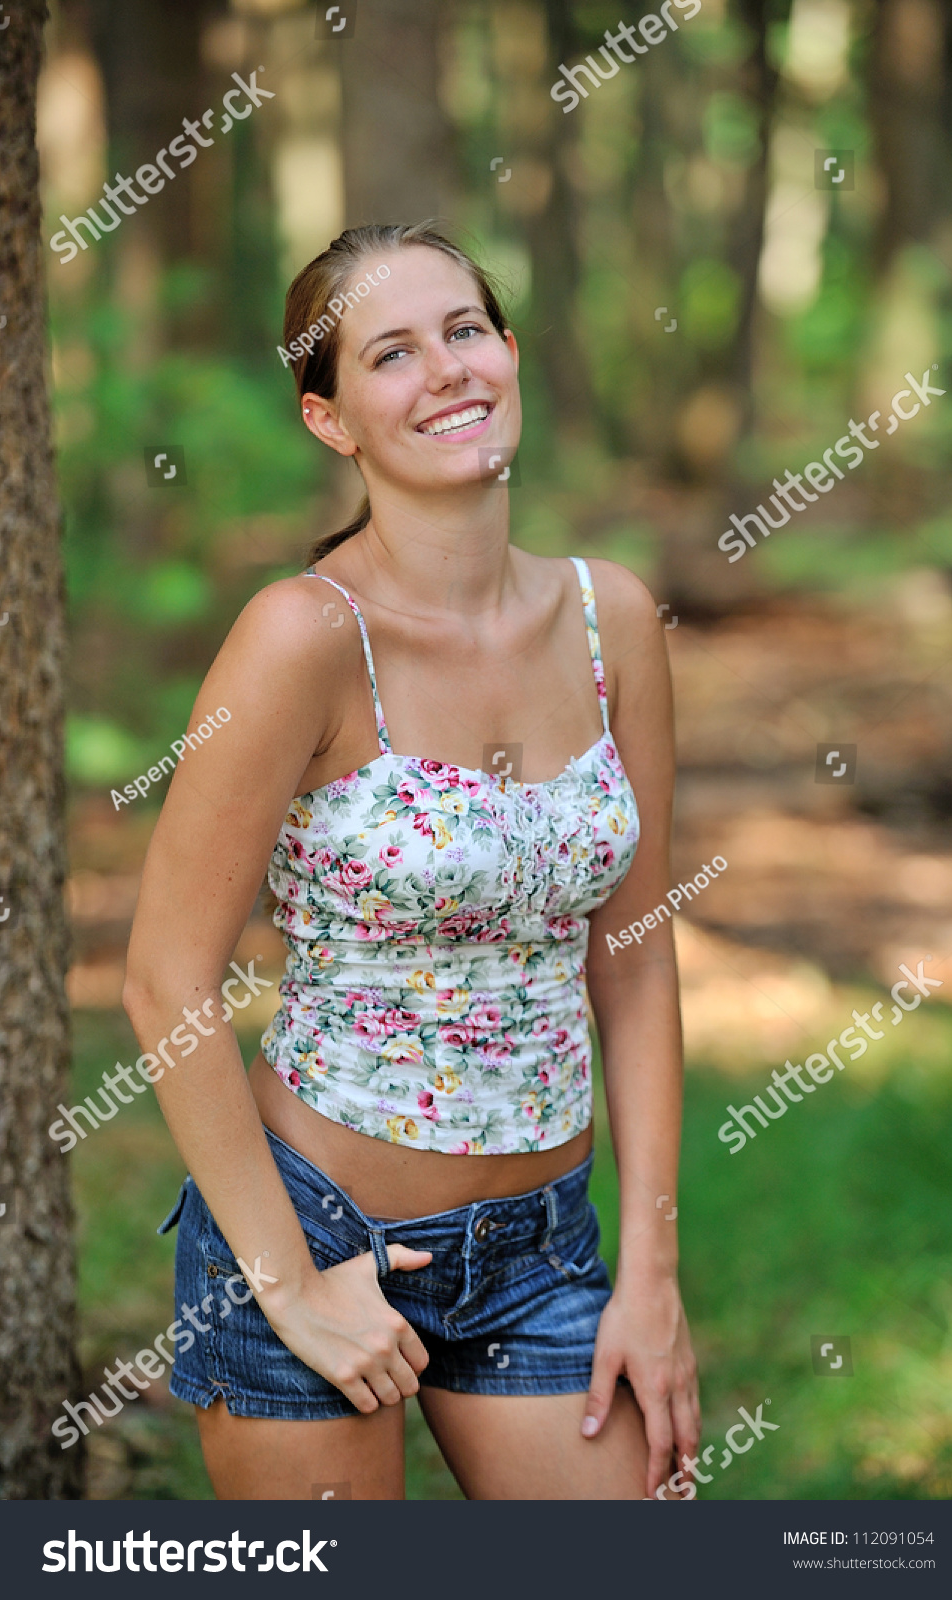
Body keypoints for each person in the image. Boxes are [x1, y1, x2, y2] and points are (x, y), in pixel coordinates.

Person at [125, 222, 699, 1501]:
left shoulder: (612, 618)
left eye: (463, 330)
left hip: (544, 1251)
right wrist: (286, 1285)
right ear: (332, 421)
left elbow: (636, 949)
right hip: (318, 1232)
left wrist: (647, 1274)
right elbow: (166, 979)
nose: (443, 369)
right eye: (391, 353)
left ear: (507, 352)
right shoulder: (301, 638)